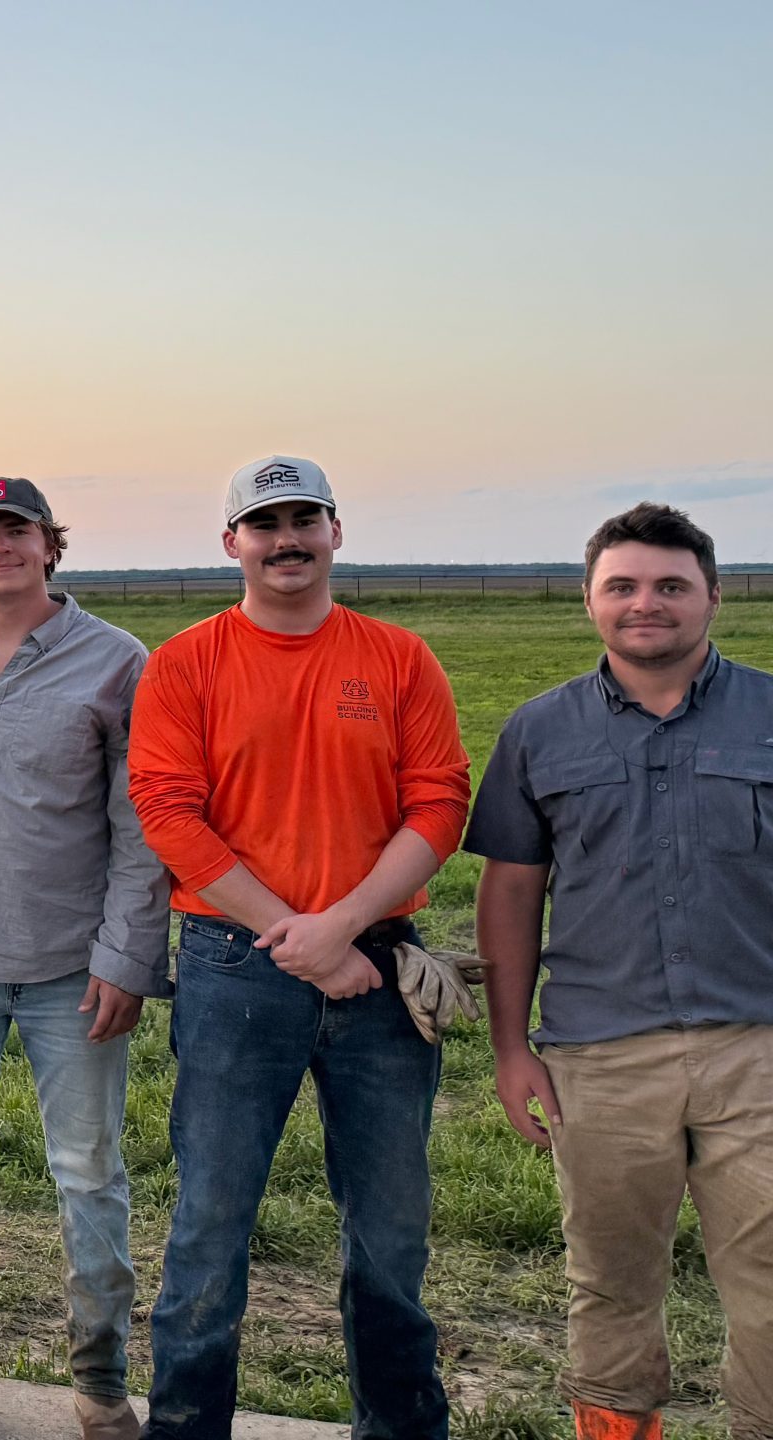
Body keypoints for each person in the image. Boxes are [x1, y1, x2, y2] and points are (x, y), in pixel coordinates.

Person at [127, 457, 472, 1440]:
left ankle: (401, 1426)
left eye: (302, 519)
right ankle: (187, 1426)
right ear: (230, 542)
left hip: (379, 968)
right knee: (209, 1225)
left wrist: (342, 926)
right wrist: (298, 935)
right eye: (263, 522)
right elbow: (168, 810)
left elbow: (437, 803)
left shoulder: (398, 659)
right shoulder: (188, 662)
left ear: (334, 531)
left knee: (392, 1234)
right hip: (234, 968)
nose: (285, 538)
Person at [467, 503, 771, 1440]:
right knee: (609, 1286)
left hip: (759, 1050)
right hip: (599, 1057)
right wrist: (511, 1050)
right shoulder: (539, 731)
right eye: (624, 587)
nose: (649, 604)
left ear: (714, 597)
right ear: (591, 603)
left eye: (671, 585)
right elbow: (511, 897)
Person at [0, 480, 169, 1440]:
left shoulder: (117, 662)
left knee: (89, 1170)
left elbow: (140, 826)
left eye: (17, 532)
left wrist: (128, 954)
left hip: (69, 964)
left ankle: (99, 1382)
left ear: (53, 546)